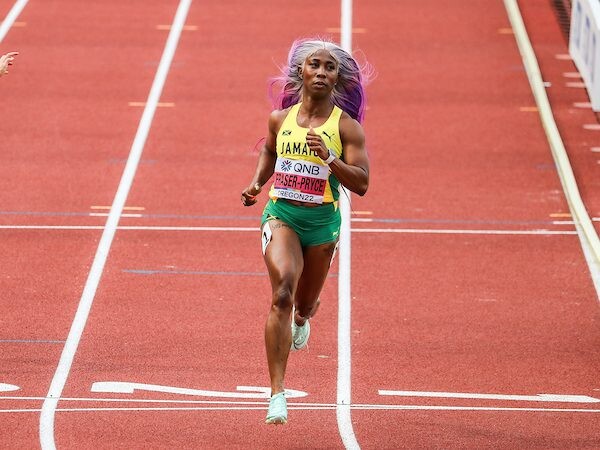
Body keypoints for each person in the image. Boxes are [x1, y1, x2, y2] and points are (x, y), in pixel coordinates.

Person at [240, 37, 371, 425]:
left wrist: (329, 157)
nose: (321, 72)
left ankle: (302, 319)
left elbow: (362, 183)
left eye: (330, 67)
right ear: (301, 70)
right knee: (282, 292)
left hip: (322, 226)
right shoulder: (279, 119)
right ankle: (277, 395)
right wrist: (257, 183)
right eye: (315, 64)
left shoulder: (346, 128)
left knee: (304, 303)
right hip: (281, 215)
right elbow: (270, 150)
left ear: (337, 78)